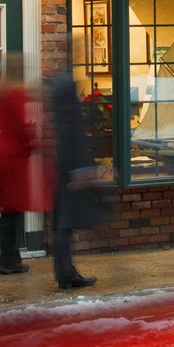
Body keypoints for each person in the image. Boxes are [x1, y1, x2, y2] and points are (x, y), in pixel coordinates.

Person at [49, 75, 106, 290]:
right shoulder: (69, 117)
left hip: (65, 171)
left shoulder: (60, 113)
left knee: (62, 225)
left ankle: (66, 271)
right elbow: (73, 141)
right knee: (64, 225)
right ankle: (66, 273)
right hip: (70, 172)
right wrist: (79, 170)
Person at [0, 55, 34, 275]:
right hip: (13, 159)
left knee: (8, 212)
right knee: (12, 213)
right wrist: (31, 143)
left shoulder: (1, 93)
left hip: (3, 155)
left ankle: (9, 259)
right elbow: (21, 127)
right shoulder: (16, 94)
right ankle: (9, 261)